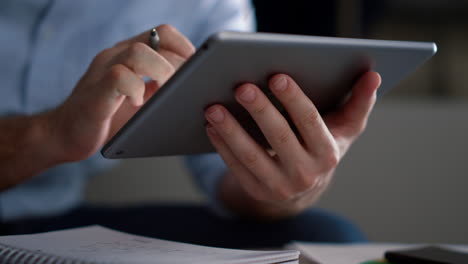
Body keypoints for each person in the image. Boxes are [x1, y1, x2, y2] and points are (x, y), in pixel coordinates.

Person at [0, 0, 380, 248]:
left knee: (325, 238)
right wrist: (49, 135)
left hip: (57, 217)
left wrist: (286, 182)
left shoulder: (211, 7)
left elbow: (225, 174)